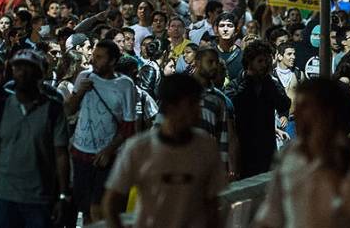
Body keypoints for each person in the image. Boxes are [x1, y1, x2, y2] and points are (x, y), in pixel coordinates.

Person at [102, 74, 226, 228]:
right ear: (170, 107)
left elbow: (212, 204)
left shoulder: (207, 146)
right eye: (191, 105)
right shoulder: (138, 148)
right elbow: (110, 203)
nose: (198, 111)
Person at [254, 78, 350, 228]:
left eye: (305, 107)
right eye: (297, 107)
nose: (297, 114)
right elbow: (271, 214)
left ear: (328, 112)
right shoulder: (289, 153)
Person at [0, 49, 70, 228]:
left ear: (39, 74)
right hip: (4, 195)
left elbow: (61, 155)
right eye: (18, 68)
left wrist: (63, 195)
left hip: (40, 197)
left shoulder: (53, 110)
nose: (22, 73)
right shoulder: (0, 109)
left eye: (28, 68)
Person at [65, 39, 137, 222]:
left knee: (100, 207)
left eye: (99, 57)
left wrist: (109, 150)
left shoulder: (125, 85)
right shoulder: (84, 78)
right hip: (81, 154)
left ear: (112, 61)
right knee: (87, 209)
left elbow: (129, 127)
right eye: (93, 56)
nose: (93, 60)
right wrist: (80, 92)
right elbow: (68, 110)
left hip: (107, 157)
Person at [226, 40, 290, 178]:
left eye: (267, 60)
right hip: (244, 148)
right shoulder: (236, 85)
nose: (264, 65)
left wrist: (270, 86)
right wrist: (248, 83)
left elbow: (284, 105)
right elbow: (233, 106)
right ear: (249, 62)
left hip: (266, 148)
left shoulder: (272, 84)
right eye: (260, 61)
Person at [192, 46, 239, 179]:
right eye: (210, 62)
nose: (214, 66)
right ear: (197, 63)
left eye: (216, 63)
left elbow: (225, 136)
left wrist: (228, 168)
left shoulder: (218, 99)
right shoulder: (180, 91)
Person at [214, 12, 243, 83]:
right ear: (216, 30)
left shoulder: (243, 56)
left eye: (229, 26)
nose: (225, 29)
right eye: (222, 25)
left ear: (236, 30)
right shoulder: (211, 54)